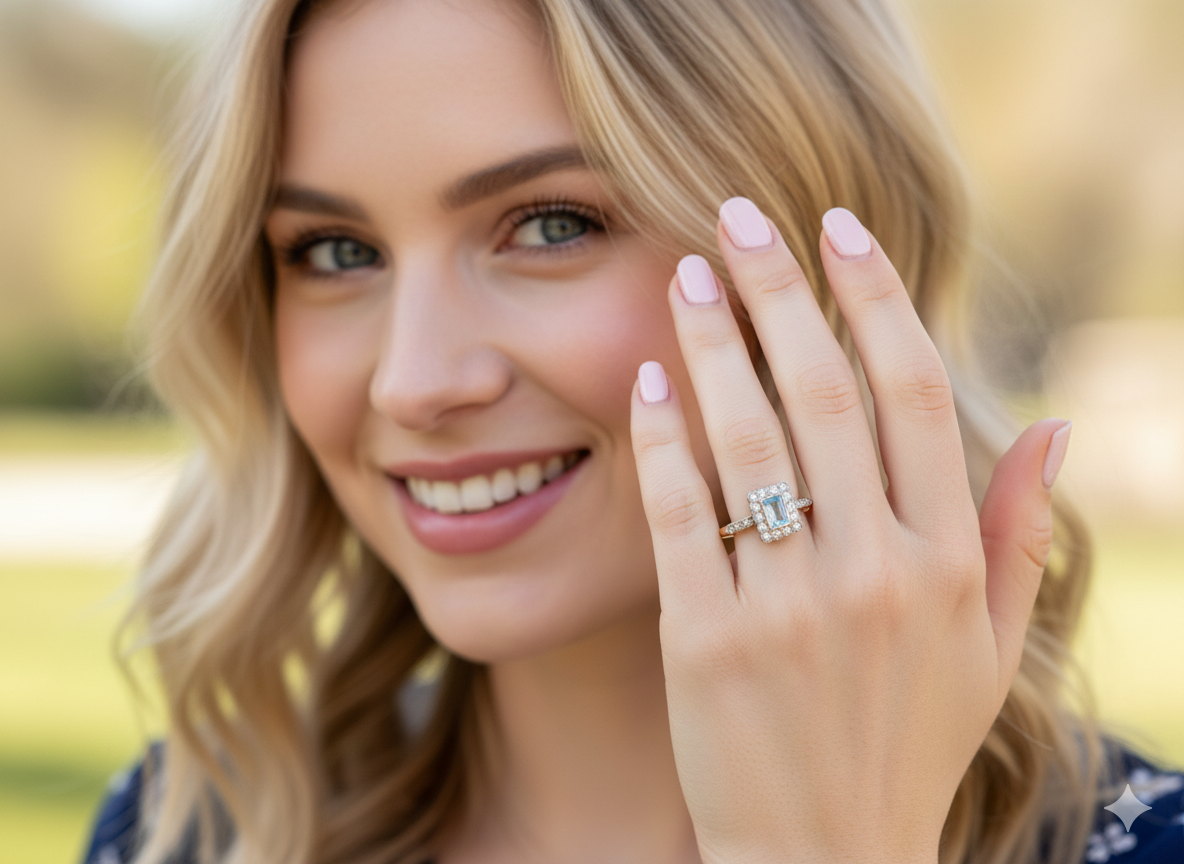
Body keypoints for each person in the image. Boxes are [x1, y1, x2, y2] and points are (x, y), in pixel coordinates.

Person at [81, 0, 1184, 862]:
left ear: (820, 265)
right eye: (331, 251)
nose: (413, 382)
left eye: (550, 225)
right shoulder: (186, 833)